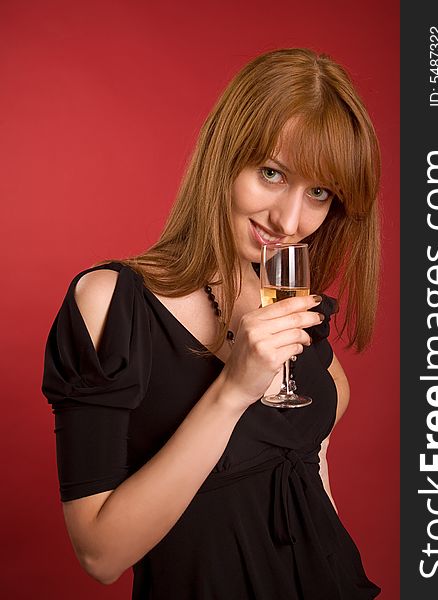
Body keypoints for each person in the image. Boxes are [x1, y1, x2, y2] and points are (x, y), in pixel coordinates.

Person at [41, 48, 381, 599]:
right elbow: (100, 554)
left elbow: (309, 477)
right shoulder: (111, 301)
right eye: (272, 174)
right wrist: (232, 392)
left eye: (318, 193)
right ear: (223, 157)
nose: (289, 222)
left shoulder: (292, 304)